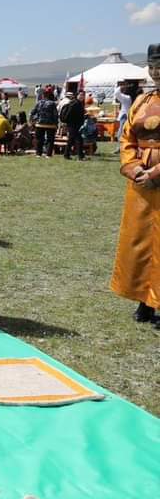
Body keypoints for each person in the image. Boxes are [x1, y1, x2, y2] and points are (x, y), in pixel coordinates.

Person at [110, 43, 160, 328]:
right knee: (140, 243)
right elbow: (127, 137)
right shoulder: (142, 101)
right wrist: (134, 167)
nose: (157, 73)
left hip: (156, 176)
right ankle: (144, 299)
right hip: (140, 184)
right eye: (153, 67)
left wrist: (155, 172)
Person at [31, 86, 59, 157]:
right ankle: (48, 154)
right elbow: (55, 115)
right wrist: (56, 124)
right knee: (50, 140)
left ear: (43, 95)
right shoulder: (52, 103)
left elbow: (32, 112)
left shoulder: (39, 102)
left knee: (39, 139)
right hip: (50, 124)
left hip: (39, 123)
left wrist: (33, 120)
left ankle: (38, 154)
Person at [61, 92, 86, 161]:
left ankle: (66, 155)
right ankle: (80, 156)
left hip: (74, 124)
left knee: (71, 140)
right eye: (80, 95)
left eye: (83, 95)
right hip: (73, 124)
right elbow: (70, 114)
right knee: (78, 140)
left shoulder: (78, 103)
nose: (82, 96)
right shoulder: (75, 103)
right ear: (77, 95)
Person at [113, 80, 134, 152]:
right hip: (128, 115)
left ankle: (120, 148)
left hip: (125, 116)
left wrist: (121, 87)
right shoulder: (129, 98)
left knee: (121, 133)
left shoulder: (126, 97)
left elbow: (116, 93)